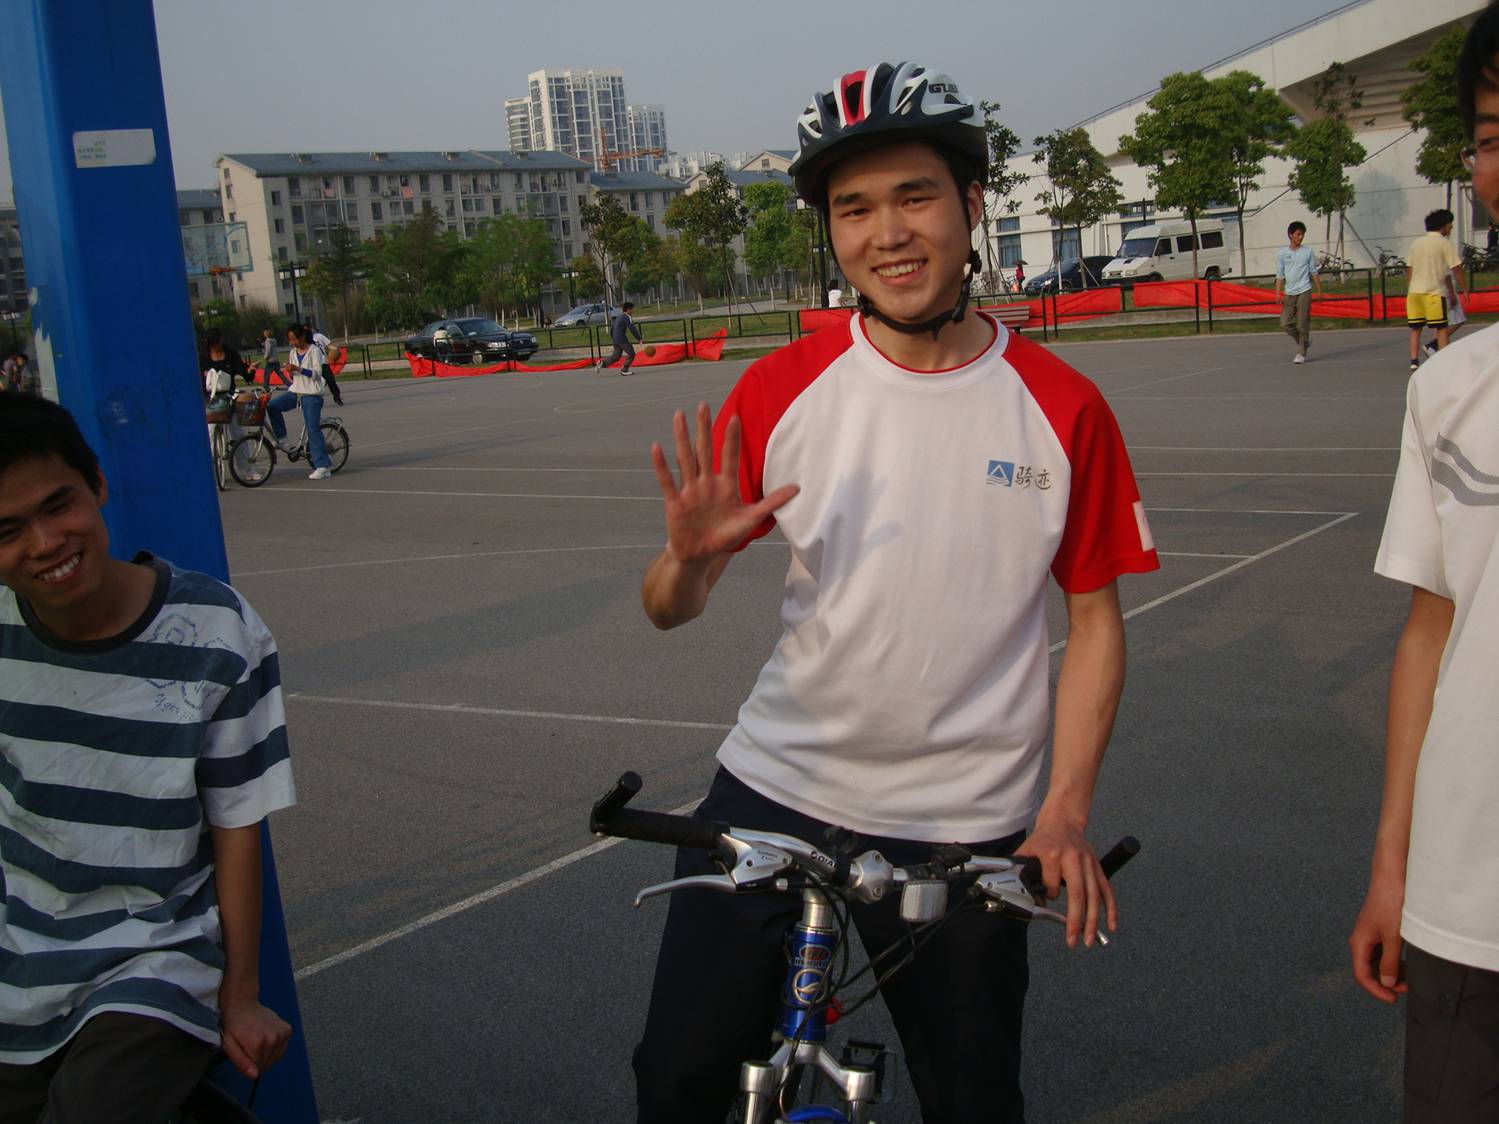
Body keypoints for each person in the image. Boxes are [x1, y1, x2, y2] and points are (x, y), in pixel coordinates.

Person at [633, 61, 1159, 1123]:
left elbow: (1095, 624)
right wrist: (686, 560)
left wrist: (1060, 809)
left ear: (970, 206)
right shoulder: (783, 388)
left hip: (963, 823)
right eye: (853, 208)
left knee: (972, 1099)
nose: (887, 232)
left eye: (913, 196)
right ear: (830, 233)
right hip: (775, 787)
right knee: (677, 1078)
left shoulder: (1061, 407)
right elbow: (664, 606)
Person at [0, 394, 296, 1121]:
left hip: (153, 953)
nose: (44, 543)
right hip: (22, 943)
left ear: (97, 484)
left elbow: (236, 822)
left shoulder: (217, 632)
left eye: (57, 505)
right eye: (7, 530)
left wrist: (242, 994)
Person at [1349, 9, 1499, 1120]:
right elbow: (1426, 632)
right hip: (1463, 905)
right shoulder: (1447, 388)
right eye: (1491, 130)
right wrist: (1392, 867)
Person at [266, 325, 334, 480]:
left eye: (295, 339)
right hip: (296, 391)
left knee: (312, 429)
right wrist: (290, 372)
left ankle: (323, 466)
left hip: (311, 393)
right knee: (272, 406)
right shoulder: (292, 353)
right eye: (290, 340)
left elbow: (317, 374)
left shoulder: (314, 351)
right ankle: (282, 439)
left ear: (303, 336)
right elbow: (294, 376)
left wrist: (299, 368)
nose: (293, 343)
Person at [1405, 209, 1466, 370]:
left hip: (1414, 292)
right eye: (1450, 224)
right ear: (1443, 226)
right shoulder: (1444, 243)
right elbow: (1456, 268)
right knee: (1441, 327)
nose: (1451, 227)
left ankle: (1414, 361)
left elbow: (1409, 268)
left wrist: (1410, 286)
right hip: (1433, 292)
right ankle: (1444, 360)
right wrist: (1464, 288)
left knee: (1415, 328)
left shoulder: (1416, 243)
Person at [1274, 221, 1321, 365]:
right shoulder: (1282, 254)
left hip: (1304, 290)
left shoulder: (1307, 252)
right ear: (1290, 235)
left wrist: (1319, 290)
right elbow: (1280, 274)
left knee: (1302, 323)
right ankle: (1304, 341)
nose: (1300, 237)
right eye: (1298, 234)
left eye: (1302, 235)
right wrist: (1278, 293)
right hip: (1289, 292)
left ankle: (1302, 351)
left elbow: (1313, 272)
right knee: (1285, 323)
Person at [598, 301, 643, 376]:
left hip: (615, 339)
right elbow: (632, 328)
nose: (633, 311)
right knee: (631, 353)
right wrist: (639, 338)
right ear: (628, 309)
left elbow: (612, 328)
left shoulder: (619, 316)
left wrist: (613, 338)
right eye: (632, 309)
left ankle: (602, 363)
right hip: (621, 339)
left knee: (616, 356)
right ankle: (624, 370)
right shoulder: (627, 316)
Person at [307, 324, 343, 405]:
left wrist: (336, 349)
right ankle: (310, 400)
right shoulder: (304, 340)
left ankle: (337, 397)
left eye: (308, 330)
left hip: (323, 362)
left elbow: (328, 345)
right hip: (312, 364)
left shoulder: (319, 336)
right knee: (312, 382)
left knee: (331, 380)